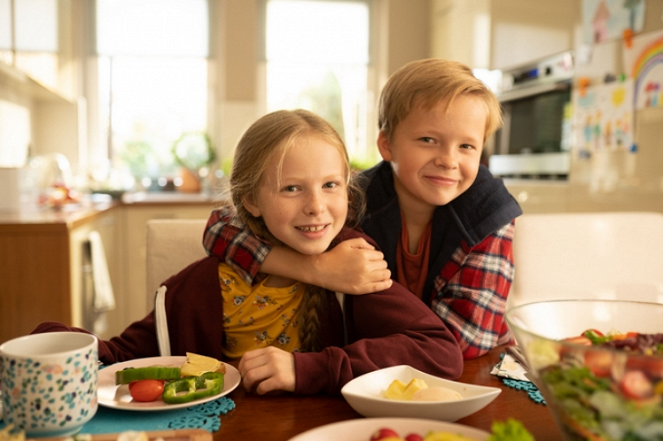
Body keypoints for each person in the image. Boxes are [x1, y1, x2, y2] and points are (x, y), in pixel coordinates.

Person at [33, 109, 462, 396]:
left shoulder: (353, 267)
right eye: (292, 188)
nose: (316, 205)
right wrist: (58, 345)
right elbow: (125, 357)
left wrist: (308, 369)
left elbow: (439, 352)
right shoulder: (201, 285)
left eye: (330, 185)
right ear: (251, 200)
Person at [203, 59, 523, 359]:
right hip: (376, 372)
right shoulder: (357, 195)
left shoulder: (488, 212)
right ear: (386, 144)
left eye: (466, 146)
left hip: (473, 371)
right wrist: (316, 269)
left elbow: (464, 341)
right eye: (428, 139)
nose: (449, 160)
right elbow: (221, 228)